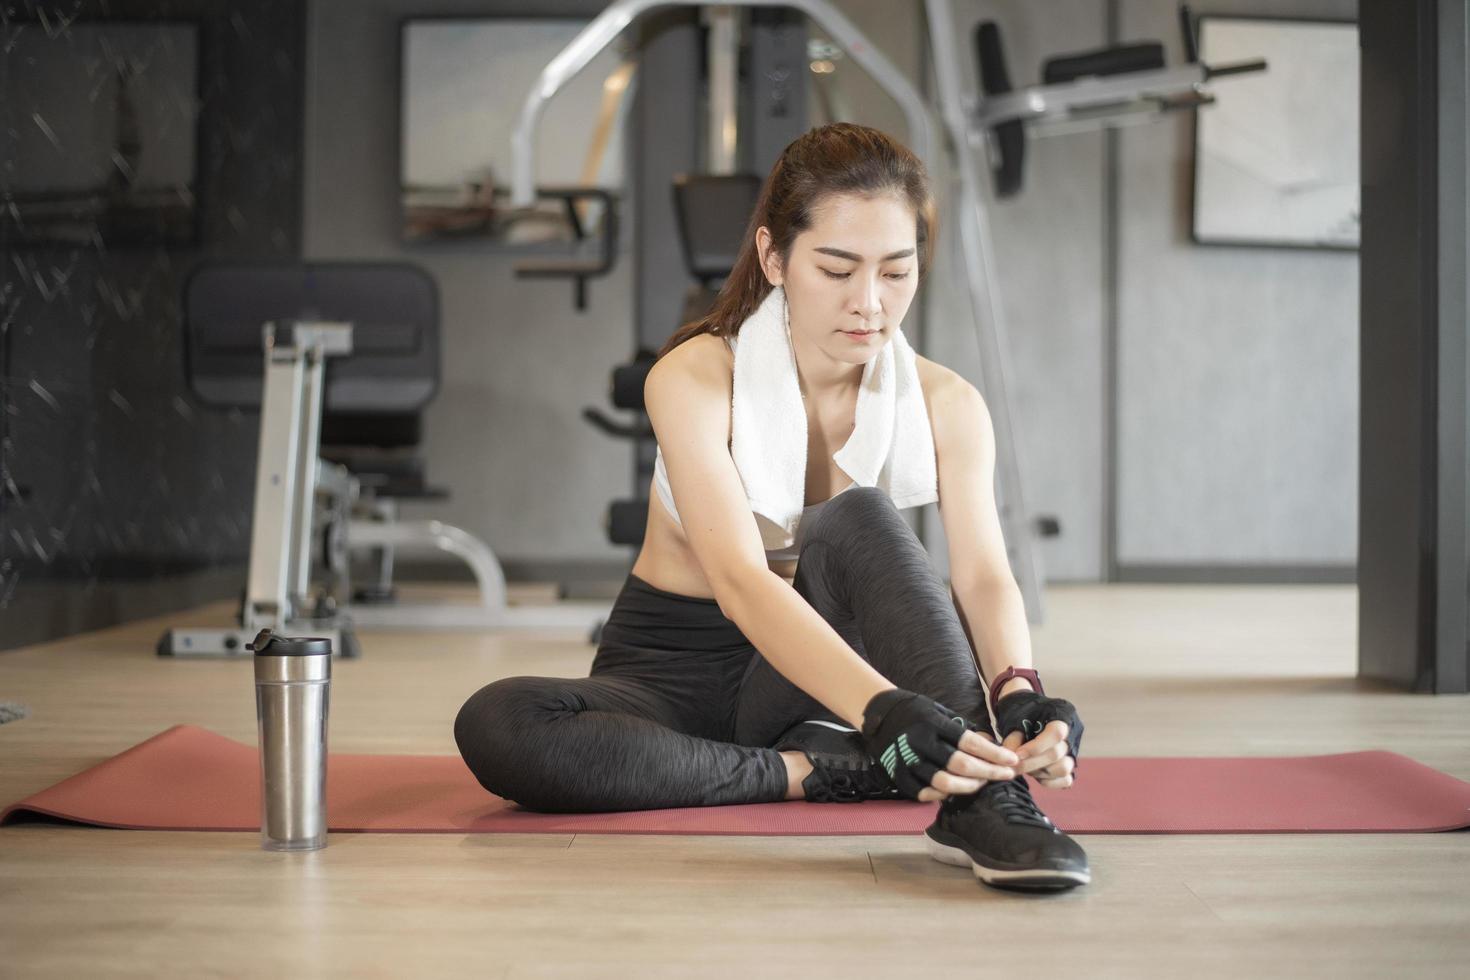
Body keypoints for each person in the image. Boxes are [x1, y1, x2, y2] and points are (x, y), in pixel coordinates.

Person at [455, 122, 1089, 891]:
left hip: (811, 675)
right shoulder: (693, 377)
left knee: (861, 517)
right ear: (773, 257)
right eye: (837, 268)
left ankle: (986, 800)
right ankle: (824, 771)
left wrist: (1017, 691)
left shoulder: (947, 402)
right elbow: (741, 582)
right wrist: (883, 711)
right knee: (498, 723)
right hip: (667, 676)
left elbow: (984, 575)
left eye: (896, 272)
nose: (869, 304)